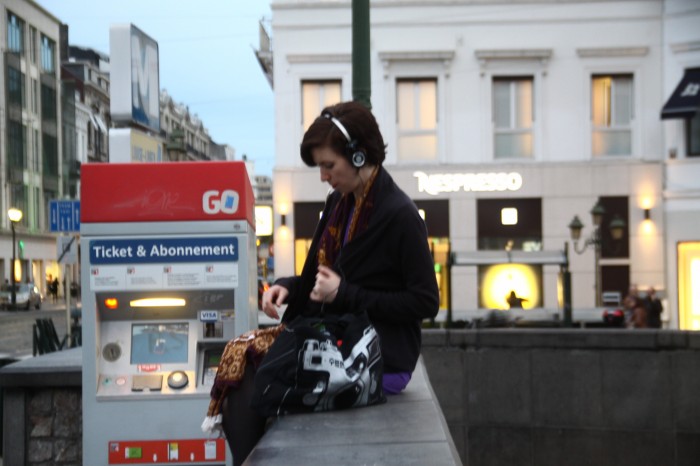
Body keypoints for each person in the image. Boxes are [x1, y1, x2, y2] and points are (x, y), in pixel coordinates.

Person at [208, 101, 440, 465]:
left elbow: (425, 301)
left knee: (259, 375)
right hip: (336, 337)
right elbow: (322, 275)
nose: (323, 176)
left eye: (329, 165)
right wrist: (288, 286)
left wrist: (345, 294)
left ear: (359, 156)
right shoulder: (338, 203)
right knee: (240, 355)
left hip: (377, 357)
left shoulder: (400, 215)